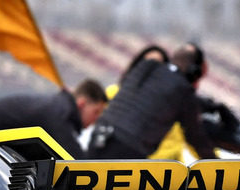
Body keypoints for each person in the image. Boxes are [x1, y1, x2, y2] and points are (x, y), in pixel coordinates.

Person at [87, 42, 217, 160]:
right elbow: (196, 138)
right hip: (128, 149)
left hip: (100, 135)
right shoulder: (183, 90)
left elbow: (156, 95)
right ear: (193, 71)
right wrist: (219, 166)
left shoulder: (148, 67)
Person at [0, 79, 108, 159]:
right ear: (82, 104)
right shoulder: (60, 112)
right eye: (96, 111)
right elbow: (79, 164)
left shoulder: (59, 106)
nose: (96, 119)